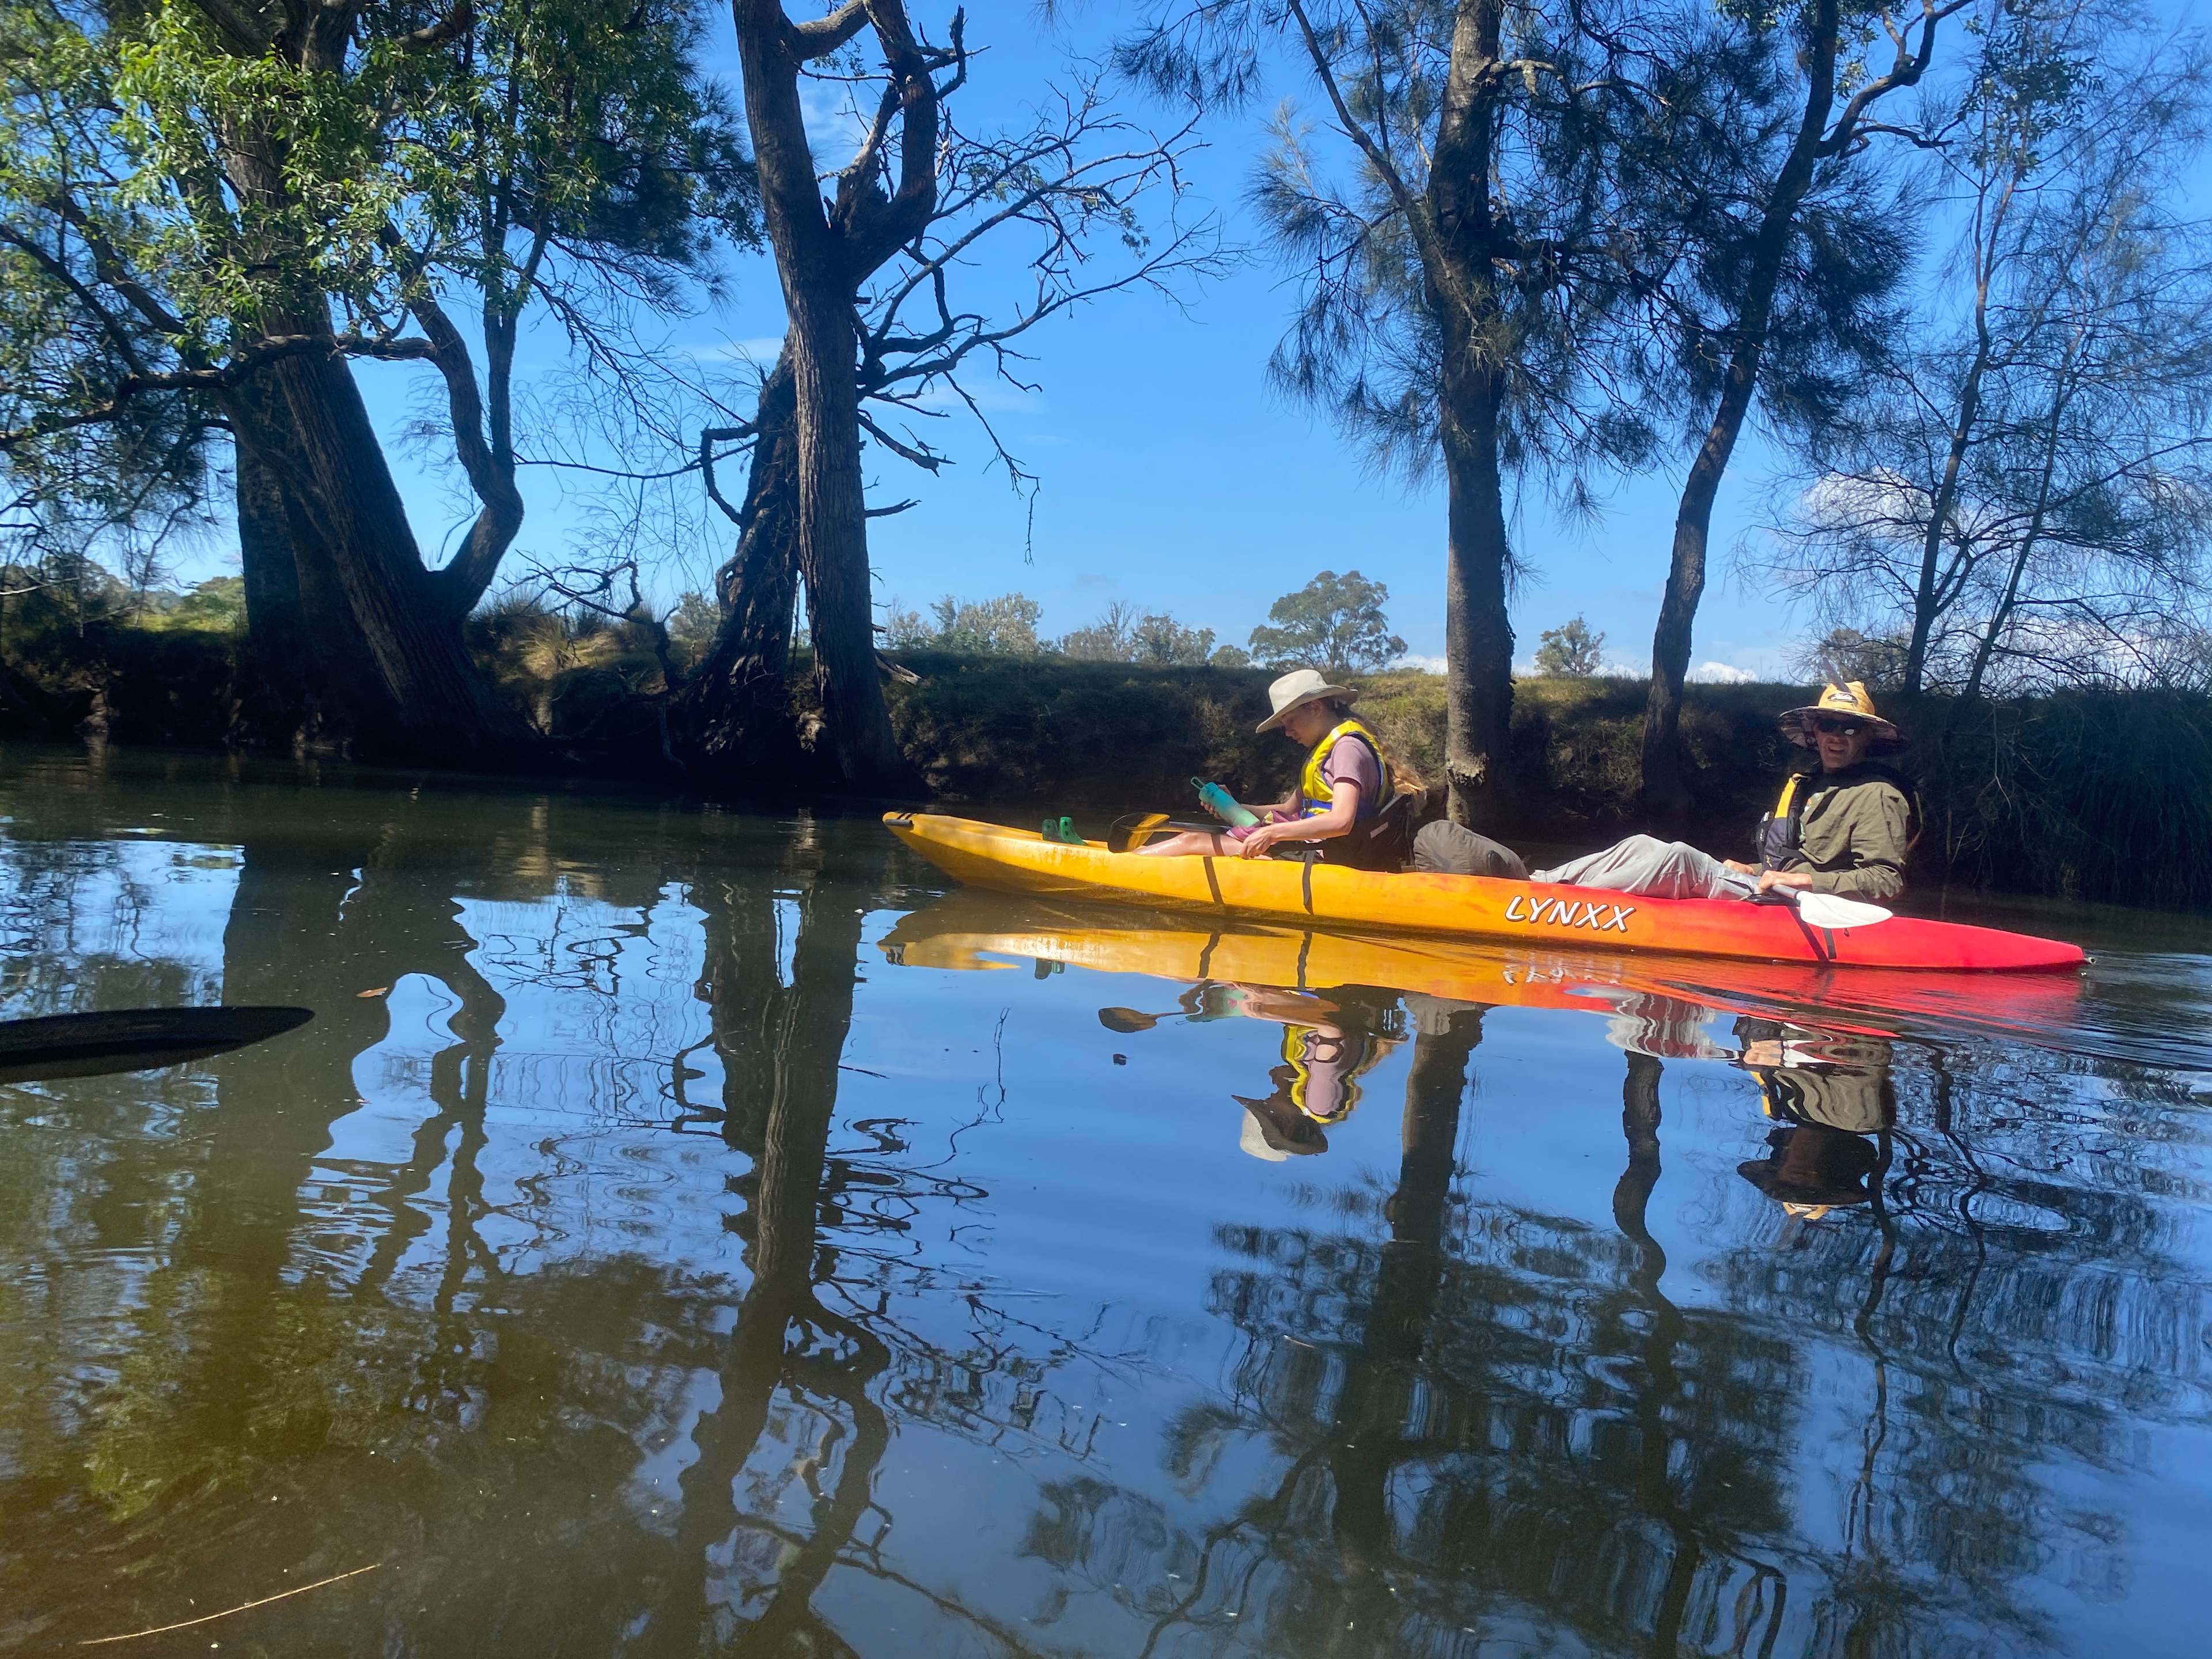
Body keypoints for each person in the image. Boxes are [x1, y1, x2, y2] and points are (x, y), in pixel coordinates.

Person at [1531, 680, 1919, 903]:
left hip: (1803, 906)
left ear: (1867, 736)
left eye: (1849, 729)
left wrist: (1808, 883)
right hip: (1771, 890)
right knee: (1642, 845)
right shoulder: (1811, 784)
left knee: (1680, 859)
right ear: (1814, 731)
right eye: (1828, 726)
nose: (1836, 737)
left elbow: (1885, 880)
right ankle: (1539, 884)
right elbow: (1794, 860)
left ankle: (1563, 906)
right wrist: (1752, 869)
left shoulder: (1879, 794)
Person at [1138, 668, 1411, 866]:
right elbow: (1288, 811)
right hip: (1315, 848)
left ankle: (1121, 868)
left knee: (1192, 843)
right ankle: (1127, 861)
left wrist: (1272, 833)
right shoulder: (1325, 749)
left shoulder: (1347, 749)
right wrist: (1233, 806)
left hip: (1328, 856)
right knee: (1194, 839)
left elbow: (1341, 821)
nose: (1287, 732)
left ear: (1315, 708)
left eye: (1290, 721)